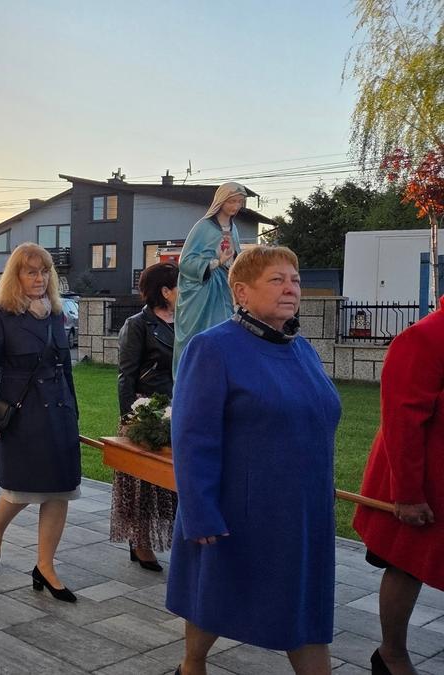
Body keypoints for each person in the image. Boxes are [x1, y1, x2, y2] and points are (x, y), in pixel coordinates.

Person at [167, 245, 339, 674]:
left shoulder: (302, 349)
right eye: (277, 280)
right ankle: (191, 665)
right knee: (214, 594)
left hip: (303, 513)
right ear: (241, 292)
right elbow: (192, 436)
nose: (291, 288)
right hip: (241, 510)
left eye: (295, 280)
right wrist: (199, 512)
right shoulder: (212, 348)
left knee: (305, 611)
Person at [0, 243, 80, 603]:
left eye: (45, 271)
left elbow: (66, 370)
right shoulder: (0, 315)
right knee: (21, 490)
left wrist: (74, 412)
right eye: (31, 271)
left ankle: (45, 566)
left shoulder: (56, 314)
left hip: (59, 414)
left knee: (60, 490)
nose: (39, 278)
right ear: (16, 276)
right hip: (24, 415)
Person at [353, 298, 443, 675]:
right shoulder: (425, 337)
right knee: (406, 564)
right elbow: (402, 421)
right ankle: (392, 655)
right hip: (423, 481)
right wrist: (407, 495)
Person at [113, 262, 179, 572]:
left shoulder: (185, 322)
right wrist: (130, 418)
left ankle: (170, 538)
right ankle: (140, 542)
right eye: (180, 286)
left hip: (177, 409)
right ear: (165, 291)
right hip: (146, 413)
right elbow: (125, 376)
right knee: (142, 484)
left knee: (170, 483)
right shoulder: (137, 325)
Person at [173, 182, 247, 372]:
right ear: (221, 201)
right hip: (203, 292)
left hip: (225, 289)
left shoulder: (234, 229)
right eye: (232, 201)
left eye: (239, 202)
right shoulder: (203, 227)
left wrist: (234, 262)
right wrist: (216, 262)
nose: (236, 206)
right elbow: (185, 262)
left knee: (225, 334)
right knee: (201, 336)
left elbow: (236, 258)